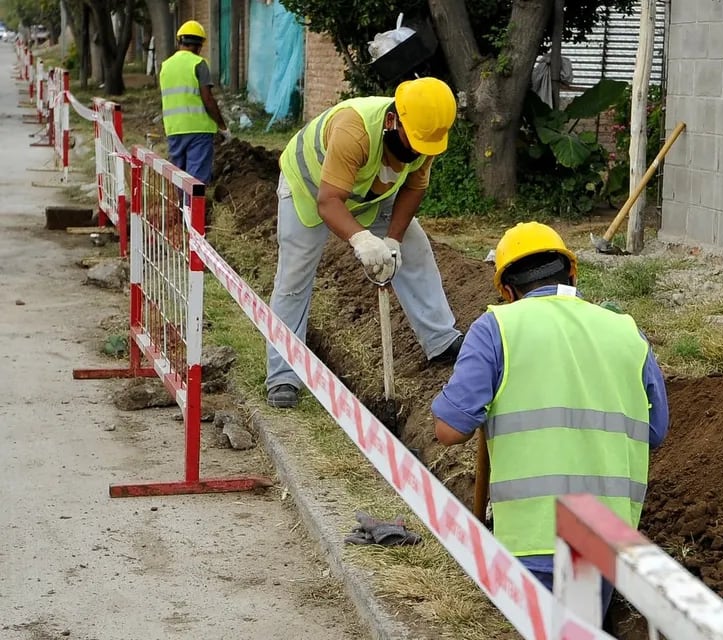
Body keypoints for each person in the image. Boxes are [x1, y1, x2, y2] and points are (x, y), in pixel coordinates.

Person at [431, 222, 669, 619]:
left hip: (530, 538)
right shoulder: (627, 332)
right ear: (573, 274)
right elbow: (655, 431)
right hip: (602, 541)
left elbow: (449, 430)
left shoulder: (496, 328)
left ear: (506, 291)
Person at [265, 77, 464, 409]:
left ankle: (441, 339)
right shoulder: (354, 130)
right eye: (412, 141)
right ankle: (283, 375)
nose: (417, 150)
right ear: (392, 120)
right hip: (309, 189)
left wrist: (393, 240)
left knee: (416, 246)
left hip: (368, 194)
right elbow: (329, 202)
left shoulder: (426, 134)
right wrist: (360, 239)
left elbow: (414, 188)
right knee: (293, 280)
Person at [158, 20, 230, 185]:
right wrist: (222, 126)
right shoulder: (198, 63)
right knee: (196, 180)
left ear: (179, 41)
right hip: (198, 130)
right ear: (199, 46)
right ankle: (193, 211)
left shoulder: (166, 66)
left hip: (174, 129)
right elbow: (207, 99)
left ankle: (181, 210)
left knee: (178, 176)